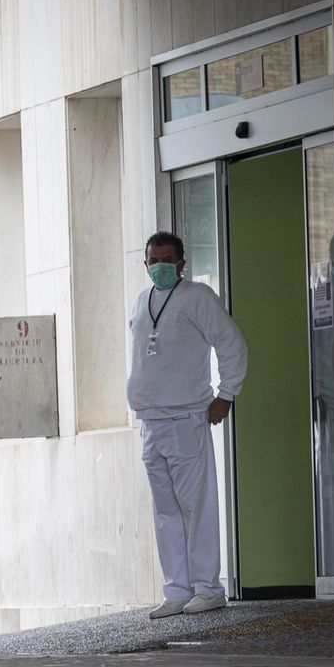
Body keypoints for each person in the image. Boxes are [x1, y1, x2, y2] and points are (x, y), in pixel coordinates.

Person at [127, 231, 248, 619]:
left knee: (196, 505)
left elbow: (231, 344)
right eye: (153, 260)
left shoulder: (198, 298)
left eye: (166, 259)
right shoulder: (141, 301)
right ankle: (177, 588)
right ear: (145, 263)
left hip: (186, 417)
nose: (159, 266)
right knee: (165, 510)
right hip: (151, 420)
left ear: (181, 263)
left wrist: (226, 394)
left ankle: (208, 588)